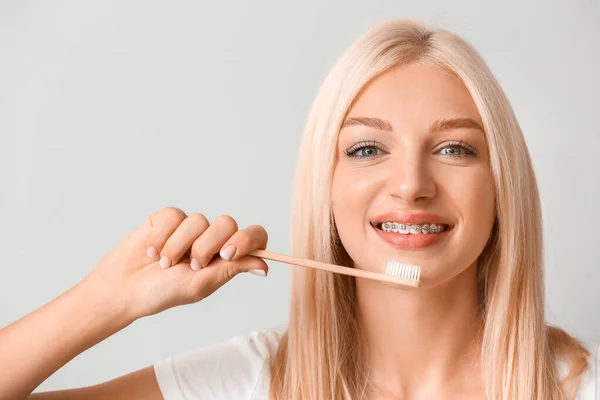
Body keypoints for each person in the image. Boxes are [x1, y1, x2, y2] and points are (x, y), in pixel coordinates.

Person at [1, 19, 597, 400]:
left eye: (454, 148)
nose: (411, 185)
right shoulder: (242, 384)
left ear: (503, 186)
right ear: (326, 185)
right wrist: (107, 299)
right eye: (367, 148)